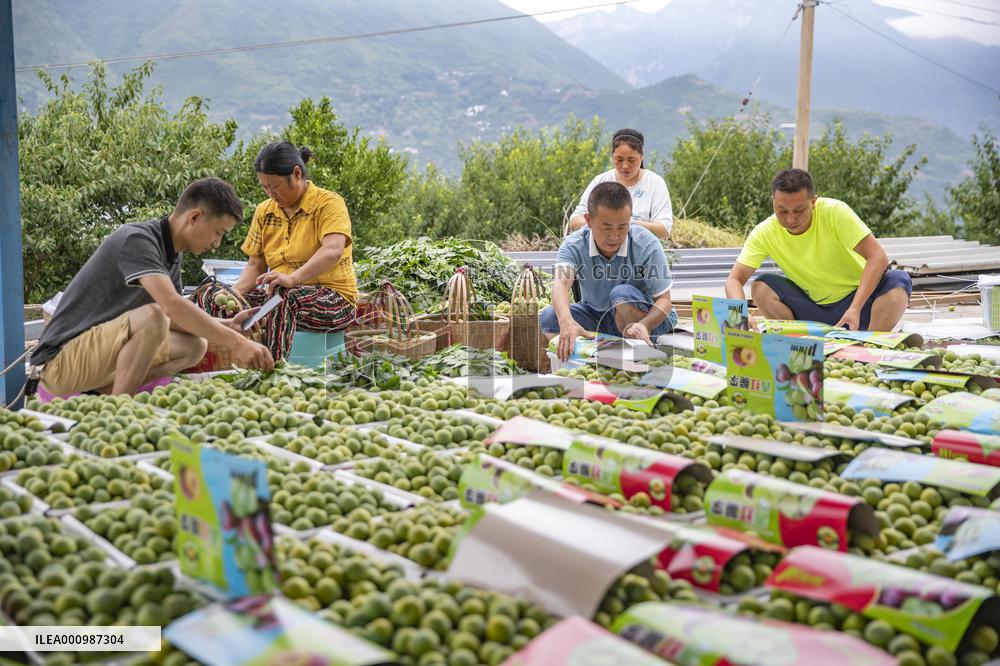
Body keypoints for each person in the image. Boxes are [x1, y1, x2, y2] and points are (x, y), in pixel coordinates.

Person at [30, 178, 274, 397]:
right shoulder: (137, 239)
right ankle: (121, 411)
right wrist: (237, 343)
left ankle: (105, 393)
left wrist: (228, 326)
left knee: (196, 345)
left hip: (94, 360)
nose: (217, 243)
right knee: (154, 315)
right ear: (195, 217)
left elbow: (178, 319)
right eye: (218, 232)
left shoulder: (172, 255)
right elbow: (170, 307)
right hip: (59, 362)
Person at [725, 168, 911, 331]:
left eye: (799, 210)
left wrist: (854, 308)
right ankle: (797, 341)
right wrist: (739, 313)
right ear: (773, 202)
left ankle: (870, 343)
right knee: (761, 287)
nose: (790, 220)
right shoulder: (764, 232)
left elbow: (878, 258)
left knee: (898, 280)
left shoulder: (834, 212)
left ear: (813, 201)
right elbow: (734, 279)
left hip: (862, 305)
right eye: (782, 211)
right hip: (814, 310)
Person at [224, 142, 358, 360]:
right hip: (282, 293)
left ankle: (274, 371)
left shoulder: (328, 204)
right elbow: (255, 265)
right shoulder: (264, 211)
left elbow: (332, 251)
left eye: (274, 186)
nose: (270, 193)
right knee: (223, 302)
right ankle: (230, 367)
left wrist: (293, 279)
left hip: (334, 299)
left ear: (296, 174)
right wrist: (233, 293)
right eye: (264, 187)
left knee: (282, 296)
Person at [542, 182, 677, 362]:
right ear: (589, 220)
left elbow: (664, 300)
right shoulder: (574, 244)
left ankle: (638, 355)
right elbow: (561, 284)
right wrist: (566, 321)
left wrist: (644, 324)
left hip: (649, 319)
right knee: (550, 317)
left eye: (622, 227)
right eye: (606, 228)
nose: (614, 237)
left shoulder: (646, 244)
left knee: (621, 294)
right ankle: (585, 362)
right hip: (601, 317)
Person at [566, 128, 673, 240]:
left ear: (642, 156)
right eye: (619, 159)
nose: (625, 166)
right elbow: (575, 221)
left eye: (631, 160)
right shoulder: (600, 181)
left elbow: (663, 230)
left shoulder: (655, 183)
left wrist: (626, 224)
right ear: (612, 156)